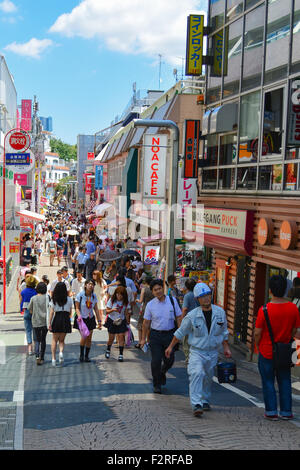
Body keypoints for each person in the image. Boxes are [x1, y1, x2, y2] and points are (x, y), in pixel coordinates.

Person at [165, 282, 231, 417]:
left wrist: (226, 347)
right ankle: (196, 404)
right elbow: (180, 332)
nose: (206, 298)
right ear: (197, 299)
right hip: (196, 351)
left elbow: (223, 332)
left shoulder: (220, 313)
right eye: (203, 297)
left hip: (212, 351)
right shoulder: (192, 316)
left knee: (207, 377)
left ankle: (205, 400)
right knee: (196, 373)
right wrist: (171, 346)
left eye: (208, 295)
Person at [254, 275, 300, 421]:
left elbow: (257, 332)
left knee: (268, 381)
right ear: (286, 290)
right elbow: (296, 331)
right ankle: (286, 412)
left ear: (270, 291)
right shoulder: (293, 308)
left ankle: (271, 411)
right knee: (285, 380)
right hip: (285, 351)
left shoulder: (264, 309)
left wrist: (258, 345)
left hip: (266, 351)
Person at [140, 279, 182, 394]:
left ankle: (162, 372)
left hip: (170, 335)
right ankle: (156, 384)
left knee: (170, 360)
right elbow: (146, 323)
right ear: (152, 292)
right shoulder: (150, 305)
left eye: (159, 288)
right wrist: (143, 338)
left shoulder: (172, 301)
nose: (158, 291)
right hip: (155, 336)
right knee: (156, 361)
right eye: (155, 290)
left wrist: (180, 332)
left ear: (163, 288)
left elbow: (179, 317)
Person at [74, 280, 102, 362]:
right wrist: (79, 316)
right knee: (84, 336)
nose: (91, 286)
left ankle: (86, 356)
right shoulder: (80, 295)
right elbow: (77, 308)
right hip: (82, 319)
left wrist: (99, 320)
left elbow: (96, 309)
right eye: (89, 284)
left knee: (89, 338)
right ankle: (81, 355)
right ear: (85, 285)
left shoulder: (94, 296)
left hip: (90, 318)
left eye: (92, 284)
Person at [49, 282, 73, 366]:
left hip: (57, 318)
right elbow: (70, 311)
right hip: (66, 318)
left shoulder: (54, 299)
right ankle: (61, 353)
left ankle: (53, 359)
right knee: (62, 340)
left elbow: (52, 312)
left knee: (54, 340)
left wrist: (49, 323)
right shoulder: (69, 299)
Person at [104, 286, 130, 362]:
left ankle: (121, 354)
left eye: (121, 295)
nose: (119, 296)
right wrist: (112, 310)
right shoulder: (112, 300)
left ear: (124, 295)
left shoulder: (126, 302)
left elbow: (127, 312)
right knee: (111, 338)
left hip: (121, 321)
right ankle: (108, 349)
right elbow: (106, 311)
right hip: (112, 321)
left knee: (121, 337)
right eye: (117, 294)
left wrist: (128, 320)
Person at [28, 282, 49, 365]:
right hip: (45, 322)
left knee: (36, 340)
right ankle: (42, 357)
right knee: (43, 339)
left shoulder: (33, 298)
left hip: (36, 321)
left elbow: (30, 309)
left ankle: (37, 356)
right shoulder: (47, 297)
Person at [181, 279, 199, 363]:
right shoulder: (198, 295)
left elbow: (185, 309)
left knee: (186, 340)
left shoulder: (187, 296)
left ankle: (188, 358)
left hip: (189, 320)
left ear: (186, 286)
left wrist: (182, 320)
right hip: (198, 320)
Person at [20, 275, 38, 355]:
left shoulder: (23, 292)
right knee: (35, 330)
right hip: (34, 312)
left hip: (26, 312)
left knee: (28, 330)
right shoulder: (36, 292)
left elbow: (21, 302)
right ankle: (35, 347)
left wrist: (21, 310)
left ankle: (29, 348)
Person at [136, 276, 154, 348]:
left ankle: (140, 342)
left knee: (141, 324)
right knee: (149, 326)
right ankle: (148, 341)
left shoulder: (144, 289)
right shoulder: (153, 289)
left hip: (145, 308)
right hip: (153, 308)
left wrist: (136, 300)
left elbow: (140, 301)